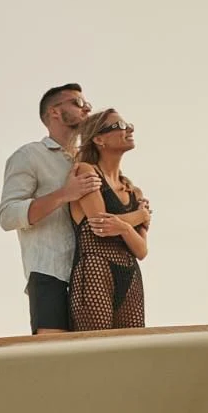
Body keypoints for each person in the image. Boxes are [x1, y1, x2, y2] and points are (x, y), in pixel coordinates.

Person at [0, 83, 101, 333]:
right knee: (56, 360)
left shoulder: (91, 159)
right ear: (55, 112)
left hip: (94, 276)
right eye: (77, 103)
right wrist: (65, 194)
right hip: (50, 274)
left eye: (87, 103)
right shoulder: (29, 156)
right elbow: (8, 215)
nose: (87, 107)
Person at [66, 109, 150, 329]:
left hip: (131, 274)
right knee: (98, 351)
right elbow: (100, 224)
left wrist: (123, 228)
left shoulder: (134, 191)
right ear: (99, 139)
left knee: (131, 352)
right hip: (95, 269)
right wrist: (140, 216)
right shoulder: (86, 171)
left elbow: (141, 251)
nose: (129, 129)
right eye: (120, 126)